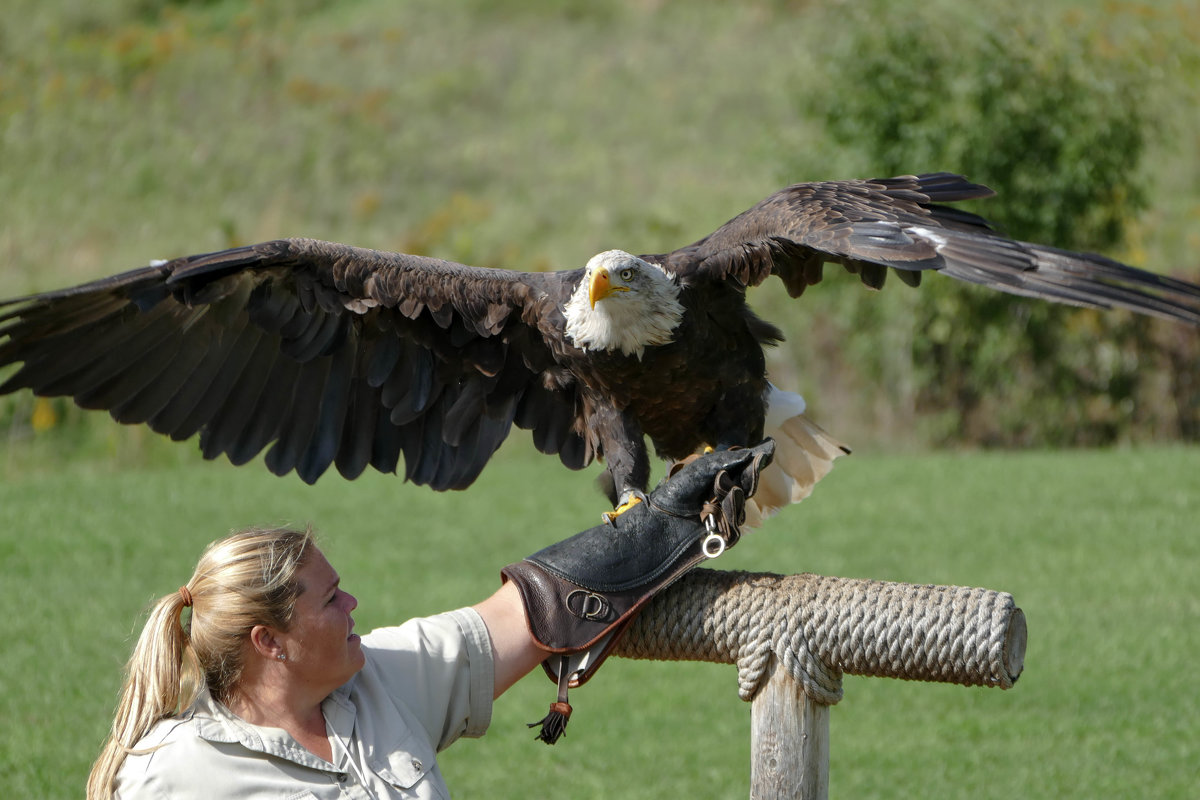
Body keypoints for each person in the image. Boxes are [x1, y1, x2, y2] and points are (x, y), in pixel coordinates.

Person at [85, 444, 773, 799]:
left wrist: (669, 518)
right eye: (330, 601)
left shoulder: (382, 683)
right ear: (271, 642)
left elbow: (533, 610)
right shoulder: (173, 772)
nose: (353, 606)